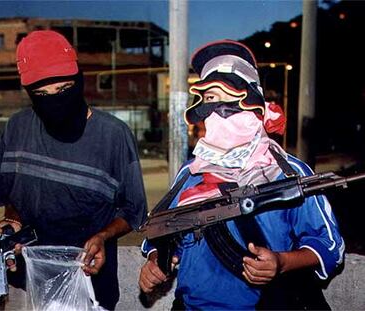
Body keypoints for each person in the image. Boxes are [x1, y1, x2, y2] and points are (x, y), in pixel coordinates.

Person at [139, 40, 344, 310]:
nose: (220, 114)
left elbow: (330, 246)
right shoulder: (190, 174)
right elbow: (161, 235)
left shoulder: (289, 173)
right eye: (211, 100)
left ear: (253, 106)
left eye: (231, 101)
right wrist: (155, 260)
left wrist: (281, 263)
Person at [0, 30, 147, 310]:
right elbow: (12, 196)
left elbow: (133, 211)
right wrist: (11, 221)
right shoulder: (16, 128)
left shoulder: (114, 135)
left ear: (79, 79)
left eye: (63, 90)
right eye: (41, 94)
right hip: (26, 284)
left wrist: (103, 236)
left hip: (88, 285)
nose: (55, 102)